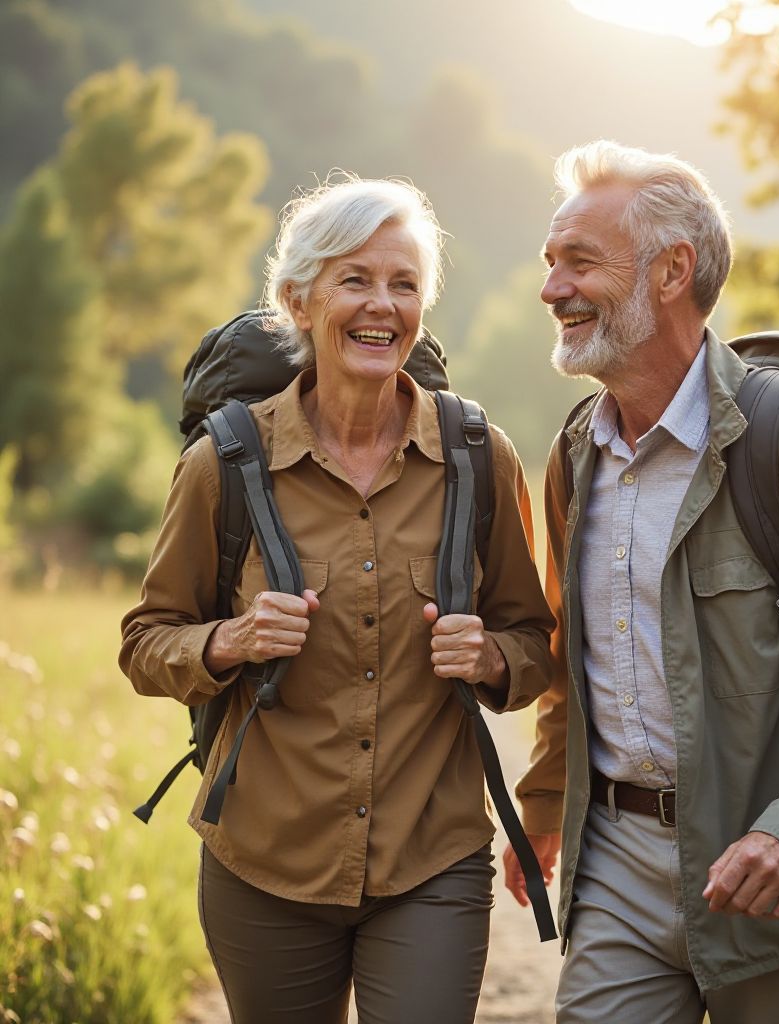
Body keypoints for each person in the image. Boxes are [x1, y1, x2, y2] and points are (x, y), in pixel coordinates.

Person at [502, 141, 779, 1023]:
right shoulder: (575, 454)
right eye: (550, 261)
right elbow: (575, 659)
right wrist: (544, 803)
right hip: (614, 869)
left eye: (579, 261)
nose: (551, 289)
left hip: (777, 879)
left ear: (671, 272)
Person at [120, 175, 554, 1024]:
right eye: (355, 279)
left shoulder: (478, 457)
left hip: (432, 859)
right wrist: (231, 641)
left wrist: (492, 656)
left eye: (404, 284)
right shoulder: (224, 464)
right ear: (298, 301)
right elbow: (145, 642)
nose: (382, 305)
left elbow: (534, 640)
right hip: (262, 862)